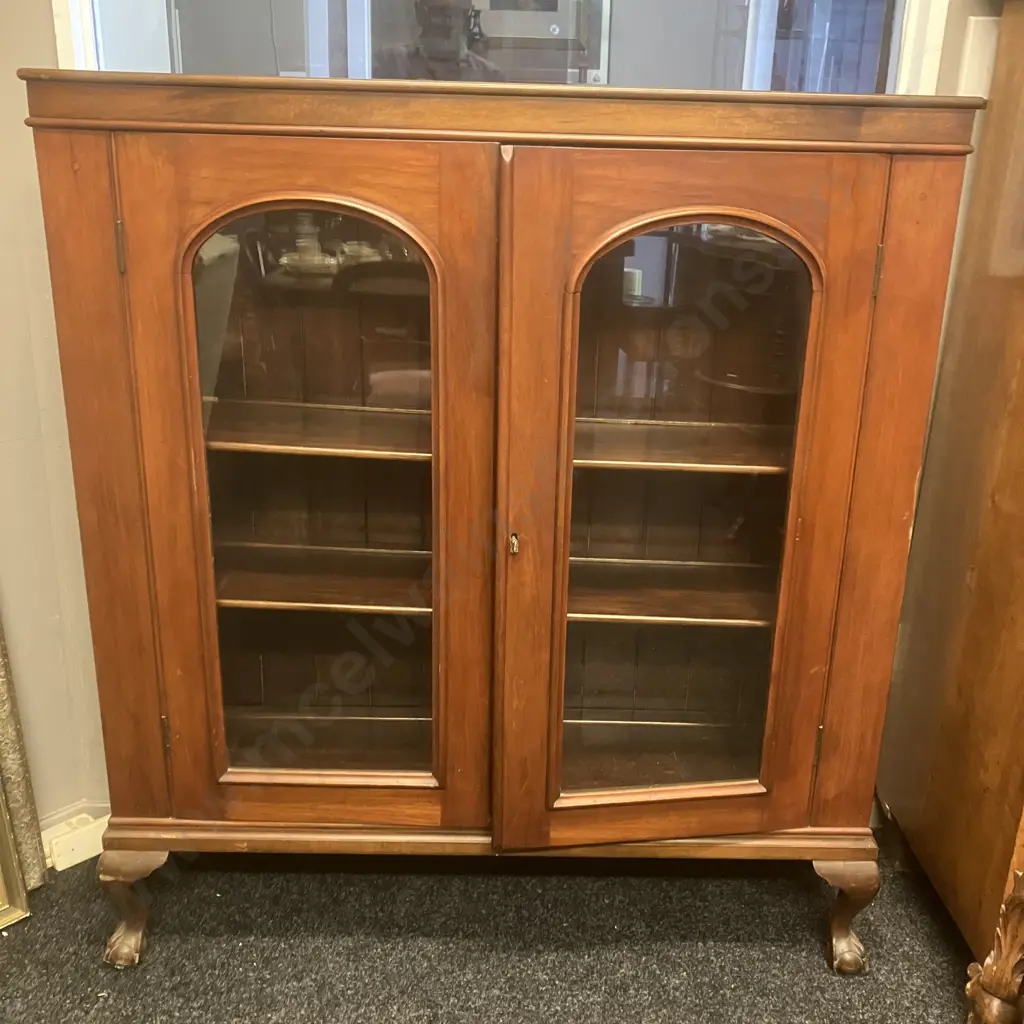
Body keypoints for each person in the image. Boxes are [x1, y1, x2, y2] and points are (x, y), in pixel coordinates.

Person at [373, 0, 505, 82]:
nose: (448, 23)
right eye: (438, 12)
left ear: (467, 17)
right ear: (419, 13)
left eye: (456, 13)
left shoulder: (490, 77)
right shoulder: (389, 65)